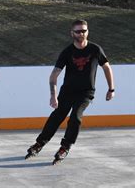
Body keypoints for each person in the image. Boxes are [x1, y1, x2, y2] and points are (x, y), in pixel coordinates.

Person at [25, 19, 115, 165]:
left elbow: (106, 67)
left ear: (88, 32)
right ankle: (39, 143)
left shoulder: (95, 49)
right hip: (67, 91)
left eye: (84, 31)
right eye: (78, 31)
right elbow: (54, 75)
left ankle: (65, 147)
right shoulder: (67, 52)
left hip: (86, 92)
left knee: (75, 116)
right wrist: (53, 96)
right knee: (56, 116)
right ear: (71, 33)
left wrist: (111, 89)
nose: (81, 34)